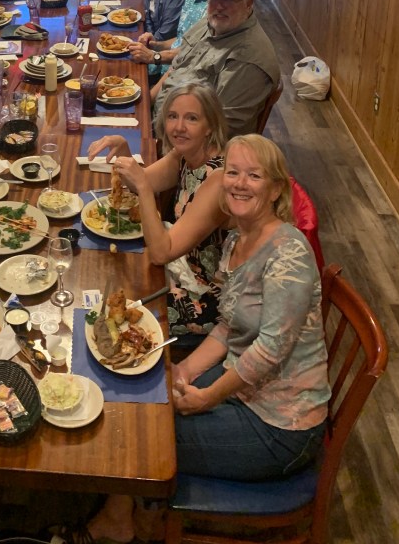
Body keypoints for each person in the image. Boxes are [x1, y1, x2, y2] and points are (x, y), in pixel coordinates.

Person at [79, 136, 329, 543]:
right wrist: (183, 369)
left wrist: (207, 397)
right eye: (233, 172)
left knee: (143, 437)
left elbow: (270, 350)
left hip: (282, 426)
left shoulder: (289, 254)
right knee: (147, 405)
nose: (239, 183)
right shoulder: (238, 239)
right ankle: (129, 513)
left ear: (276, 189)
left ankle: (134, 522)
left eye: (254, 176)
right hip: (245, 389)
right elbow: (229, 327)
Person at [88, 83, 231, 339]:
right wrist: (124, 151)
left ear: (210, 125)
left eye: (192, 118)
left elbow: (159, 254)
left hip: (202, 295)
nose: (179, 127)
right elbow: (141, 182)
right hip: (177, 266)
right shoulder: (185, 154)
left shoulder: (218, 179)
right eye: (173, 116)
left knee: (114, 306)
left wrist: (143, 187)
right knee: (106, 272)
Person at [153, 0, 280, 136]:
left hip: (185, 141)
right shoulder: (212, 23)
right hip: (161, 121)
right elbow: (175, 69)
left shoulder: (248, 58)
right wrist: (147, 100)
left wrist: (162, 142)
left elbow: (220, 128)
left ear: (248, 5)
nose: (219, 6)